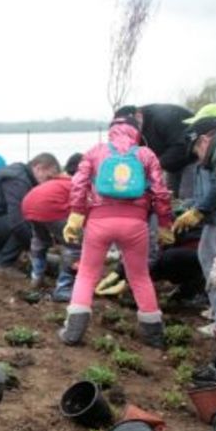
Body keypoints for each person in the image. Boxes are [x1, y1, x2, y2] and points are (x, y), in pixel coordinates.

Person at [59, 115, 173, 348]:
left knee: (87, 274)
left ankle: (73, 332)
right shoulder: (145, 154)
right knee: (140, 277)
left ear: (111, 131)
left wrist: (76, 215)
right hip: (135, 225)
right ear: (136, 132)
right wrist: (164, 223)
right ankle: (154, 335)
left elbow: (79, 185)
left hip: (99, 222)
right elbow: (161, 192)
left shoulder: (95, 152)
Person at [0, 153, 62, 276]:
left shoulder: (22, 176)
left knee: (24, 224)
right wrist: (35, 245)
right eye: (48, 178)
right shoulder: (18, 180)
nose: (48, 184)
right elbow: (17, 222)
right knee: (25, 223)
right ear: (38, 168)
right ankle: (2, 264)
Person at [176, 112, 216, 337]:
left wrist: (199, 210)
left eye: (196, 150)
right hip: (214, 219)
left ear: (204, 140)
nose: (198, 157)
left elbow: (215, 190)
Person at [21, 153, 83, 301]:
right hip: (49, 207)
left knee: (40, 241)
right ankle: (64, 287)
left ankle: (36, 276)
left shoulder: (53, 183)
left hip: (28, 204)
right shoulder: (74, 183)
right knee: (74, 246)